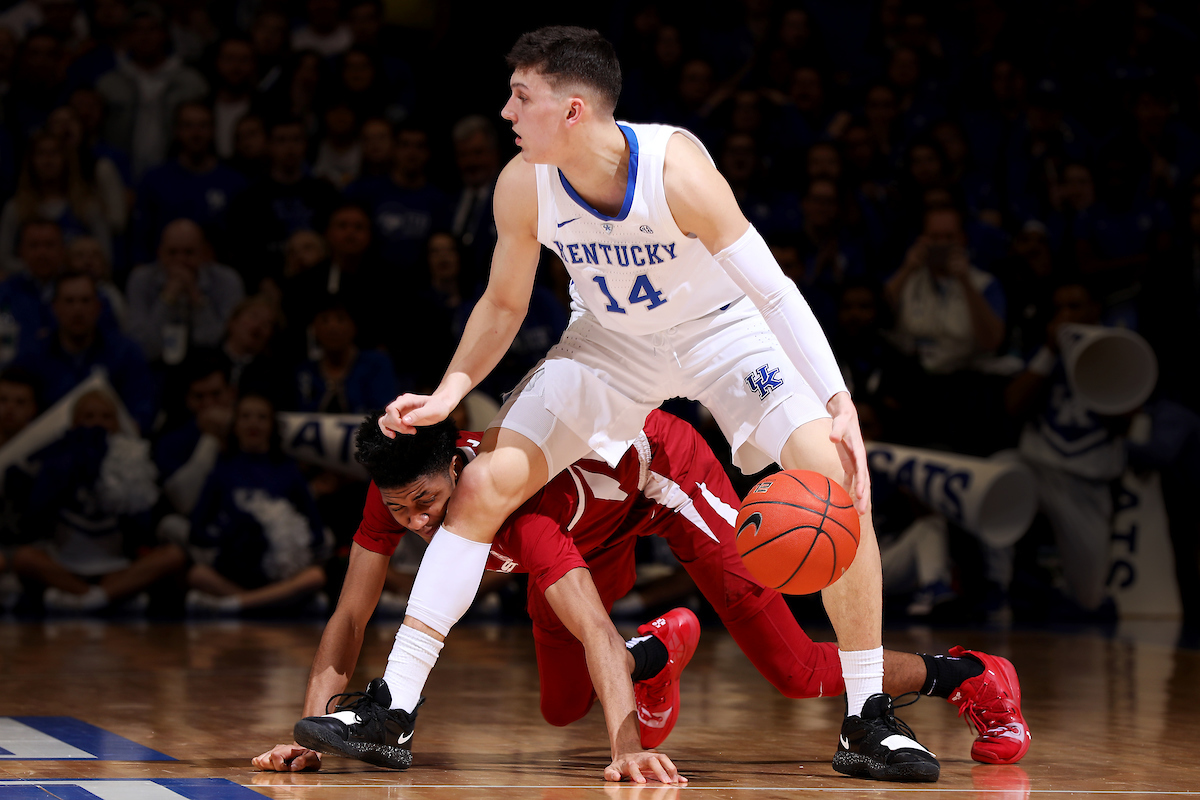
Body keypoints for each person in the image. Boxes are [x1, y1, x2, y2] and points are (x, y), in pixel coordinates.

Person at [375, 25, 923, 783]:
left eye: (521, 96)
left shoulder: (676, 169)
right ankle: (392, 706)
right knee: (484, 483)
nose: (506, 111)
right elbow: (502, 305)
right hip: (609, 342)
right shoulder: (522, 182)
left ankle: (868, 716)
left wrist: (838, 401)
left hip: (723, 334)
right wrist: (448, 393)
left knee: (835, 479)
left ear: (572, 109)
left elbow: (773, 292)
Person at [254, 410, 1028, 780]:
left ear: (460, 470)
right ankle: (654, 656)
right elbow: (351, 613)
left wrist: (628, 749)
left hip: (665, 479)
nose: (417, 522)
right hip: (591, 526)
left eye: (426, 503)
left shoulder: (521, 519)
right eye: (400, 511)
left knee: (794, 670)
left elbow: (596, 628)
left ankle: (970, 675)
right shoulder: (398, 491)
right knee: (561, 708)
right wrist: (312, 731)